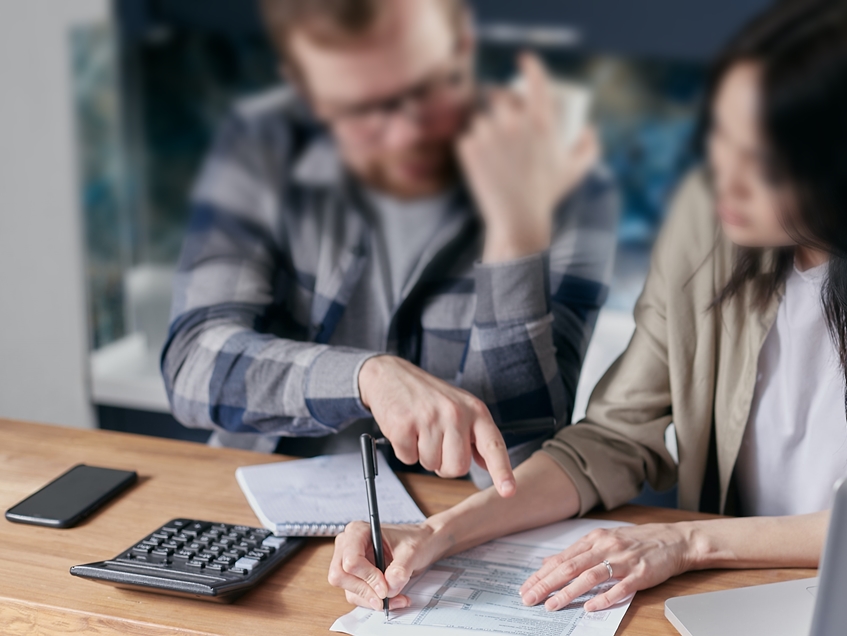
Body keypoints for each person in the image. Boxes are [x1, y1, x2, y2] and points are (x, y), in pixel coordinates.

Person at [327, 0, 847, 614]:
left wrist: (688, 539)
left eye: (757, 159)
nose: (720, 174)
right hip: (727, 591)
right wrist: (440, 533)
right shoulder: (711, 218)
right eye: (718, 136)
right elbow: (611, 439)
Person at [160, 0, 620, 493]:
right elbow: (192, 364)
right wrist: (367, 378)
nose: (405, 135)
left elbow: (519, 461)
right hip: (263, 498)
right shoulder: (261, 143)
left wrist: (514, 235)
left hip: (458, 522)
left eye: (425, 89)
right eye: (361, 109)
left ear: (463, 49)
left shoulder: (571, 182)